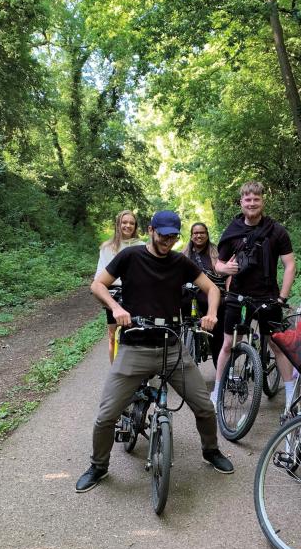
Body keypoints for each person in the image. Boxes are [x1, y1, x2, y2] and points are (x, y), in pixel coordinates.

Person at [76, 210, 234, 493]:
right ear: (150, 230)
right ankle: (99, 466)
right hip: (134, 348)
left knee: (204, 407)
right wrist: (117, 307)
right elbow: (97, 284)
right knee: (106, 415)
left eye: (173, 237)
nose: (168, 242)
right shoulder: (130, 256)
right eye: (163, 236)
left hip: (171, 348)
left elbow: (211, 288)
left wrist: (211, 312)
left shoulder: (179, 261)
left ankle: (211, 451)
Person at [213, 181, 297, 412]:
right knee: (228, 344)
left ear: (262, 201)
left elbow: (290, 265)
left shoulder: (277, 230)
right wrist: (224, 269)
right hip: (237, 296)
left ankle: (290, 394)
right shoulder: (232, 231)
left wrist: (282, 297)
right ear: (241, 202)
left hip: (269, 297)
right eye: (247, 200)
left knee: (277, 345)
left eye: (256, 199)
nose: (252, 203)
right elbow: (218, 264)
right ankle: (216, 391)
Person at [96, 210, 143, 363]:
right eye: (124, 222)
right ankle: (114, 372)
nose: (128, 226)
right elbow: (100, 275)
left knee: (138, 332)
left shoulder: (142, 246)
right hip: (114, 293)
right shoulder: (107, 247)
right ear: (118, 224)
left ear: (135, 226)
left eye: (131, 223)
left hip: (136, 293)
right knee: (112, 335)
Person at [181, 222, 226, 364]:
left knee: (216, 332)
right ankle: (189, 343)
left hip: (209, 295)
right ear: (191, 235)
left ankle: (219, 362)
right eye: (196, 233)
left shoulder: (216, 252)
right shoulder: (184, 254)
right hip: (189, 294)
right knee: (183, 310)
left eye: (202, 233)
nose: (199, 235)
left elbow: (224, 273)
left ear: (207, 234)